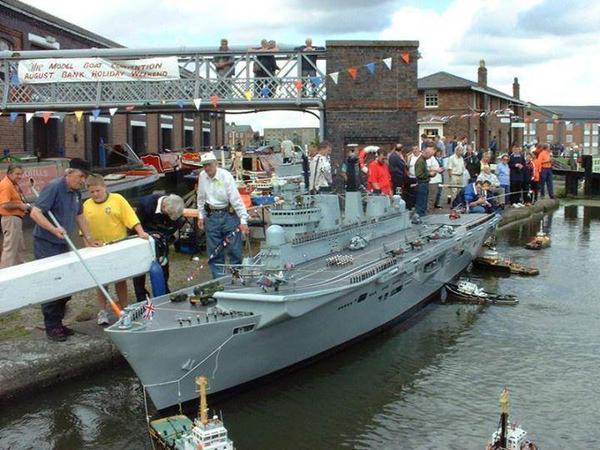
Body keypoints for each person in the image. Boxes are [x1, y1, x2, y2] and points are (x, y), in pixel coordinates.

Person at [29, 158, 101, 342]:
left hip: (63, 242)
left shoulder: (76, 192)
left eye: (85, 177)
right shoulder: (54, 187)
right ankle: (51, 327)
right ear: (69, 173)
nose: (83, 181)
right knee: (53, 282)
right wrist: (53, 229)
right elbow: (35, 213)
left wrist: (88, 238)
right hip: (46, 243)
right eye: (81, 176)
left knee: (66, 284)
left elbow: (80, 215)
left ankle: (58, 321)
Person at [83, 175, 149, 325]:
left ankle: (124, 308)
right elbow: (83, 227)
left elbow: (130, 217)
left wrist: (140, 232)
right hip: (97, 247)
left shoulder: (117, 199)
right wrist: (87, 244)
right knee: (101, 282)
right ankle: (102, 311)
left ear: (104, 188)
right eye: (91, 192)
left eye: (97, 191)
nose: (95, 194)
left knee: (120, 279)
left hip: (118, 244)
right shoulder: (86, 205)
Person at [197, 152, 249, 278]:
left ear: (216, 163)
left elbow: (236, 199)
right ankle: (219, 281)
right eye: (204, 165)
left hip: (229, 216)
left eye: (208, 165)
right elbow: (201, 198)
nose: (206, 168)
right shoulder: (202, 176)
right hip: (211, 216)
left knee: (234, 250)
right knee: (214, 252)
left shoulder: (226, 176)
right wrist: (200, 215)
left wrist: (243, 220)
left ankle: (236, 277)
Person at [133, 193, 184, 301]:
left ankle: (164, 291)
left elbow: (176, 223)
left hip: (162, 239)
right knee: (139, 269)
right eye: (168, 213)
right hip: (144, 237)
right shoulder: (145, 204)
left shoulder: (174, 205)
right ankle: (141, 296)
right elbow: (136, 225)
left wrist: (169, 235)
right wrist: (150, 233)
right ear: (164, 206)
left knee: (164, 265)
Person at [0, 164, 31, 268]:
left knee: (19, 247)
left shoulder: (12, 184)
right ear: (9, 173)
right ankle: (4, 274)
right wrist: (21, 205)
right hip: (11, 219)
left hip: (15, 219)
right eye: (17, 174)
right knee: (10, 248)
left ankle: (19, 270)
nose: (20, 177)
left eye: (21, 174)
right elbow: (4, 204)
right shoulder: (6, 185)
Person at [414, 144, 436, 217]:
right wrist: (430, 174)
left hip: (424, 184)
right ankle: (420, 217)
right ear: (426, 153)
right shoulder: (420, 161)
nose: (430, 158)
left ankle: (421, 216)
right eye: (430, 156)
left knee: (423, 203)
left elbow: (423, 172)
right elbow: (419, 174)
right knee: (421, 203)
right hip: (422, 184)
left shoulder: (423, 160)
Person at [406, 145, 421, 209]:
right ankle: (412, 206)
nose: (415, 150)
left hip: (419, 177)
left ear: (419, 149)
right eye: (413, 149)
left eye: (416, 149)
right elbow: (407, 167)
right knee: (412, 193)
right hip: (411, 177)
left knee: (419, 193)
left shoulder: (422, 156)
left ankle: (418, 206)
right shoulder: (410, 157)